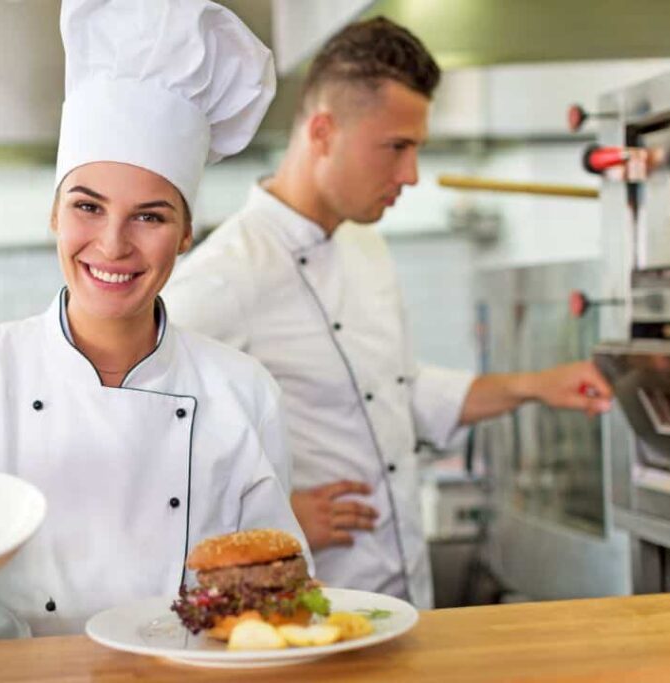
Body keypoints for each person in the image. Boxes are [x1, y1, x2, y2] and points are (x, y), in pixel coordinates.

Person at [0, 0, 307, 641]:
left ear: (187, 233)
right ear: (54, 213)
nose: (112, 245)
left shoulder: (243, 394)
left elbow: (276, 605)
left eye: (151, 216)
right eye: (88, 206)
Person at [162, 16, 613, 609]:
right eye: (396, 148)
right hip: (310, 611)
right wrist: (261, 518)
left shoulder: (365, 244)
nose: (411, 175)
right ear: (323, 131)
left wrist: (536, 385)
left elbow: (400, 391)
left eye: (417, 149)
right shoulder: (226, 275)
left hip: (405, 597)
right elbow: (148, 445)